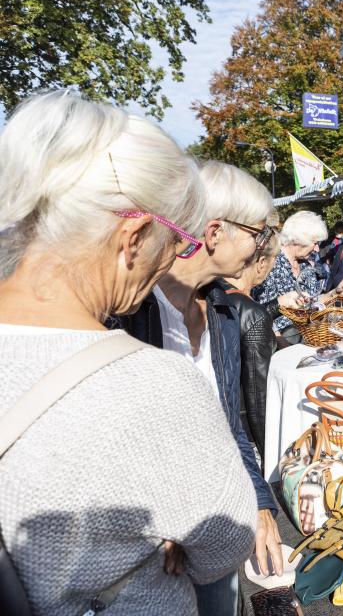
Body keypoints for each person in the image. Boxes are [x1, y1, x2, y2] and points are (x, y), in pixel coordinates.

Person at [0, 92, 257, 614]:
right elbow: (224, 543)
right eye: (175, 243)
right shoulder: (151, 382)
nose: (171, 262)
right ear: (133, 237)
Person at [114, 161, 283, 615]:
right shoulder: (129, 309)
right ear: (214, 233)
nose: (261, 247)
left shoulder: (225, 312)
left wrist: (259, 501)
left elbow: (231, 424)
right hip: (147, 541)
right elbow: (118, 433)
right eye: (257, 233)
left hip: (213, 523)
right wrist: (157, 518)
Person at [225, 211, 281, 459]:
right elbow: (260, 400)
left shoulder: (215, 295)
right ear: (260, 263)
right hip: (247, 438)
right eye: (273, 261)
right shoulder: (252, 313)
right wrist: (272, 457)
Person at [253, 211, 343, 337]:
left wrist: (335, 293)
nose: (317, 249)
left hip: (309, 335)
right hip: (278, 341)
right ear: (298, 240)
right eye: (315, 243)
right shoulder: (270, 263)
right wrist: (280, 342)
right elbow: (257, 312)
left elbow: (312, 301)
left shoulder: (305, 265)